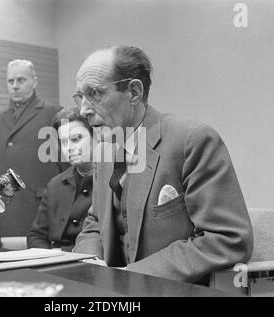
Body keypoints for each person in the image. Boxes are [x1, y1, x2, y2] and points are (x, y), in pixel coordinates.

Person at [72, 45, 253, 284]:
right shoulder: (105, 153)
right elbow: (95, 224)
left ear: (134, 92)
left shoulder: (192, 140)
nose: (83, 109)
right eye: (80, 97)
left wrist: (132, 276)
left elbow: (227, 238)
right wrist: (89, 267)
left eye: (94, 93)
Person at [0, 59, 64, 247]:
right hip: (7, 212)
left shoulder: (54, 114)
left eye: (21, 80)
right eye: (10, 81)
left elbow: (67, 167)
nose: (15, 86)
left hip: (42, 210)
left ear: (34, 82)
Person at [27, 108, 94, 251]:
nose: (69, 147)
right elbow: (36, 236)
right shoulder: (55, 185)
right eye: (63, 142)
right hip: (53, 264)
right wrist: (49, 258)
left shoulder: (111, 182)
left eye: (76, 139)